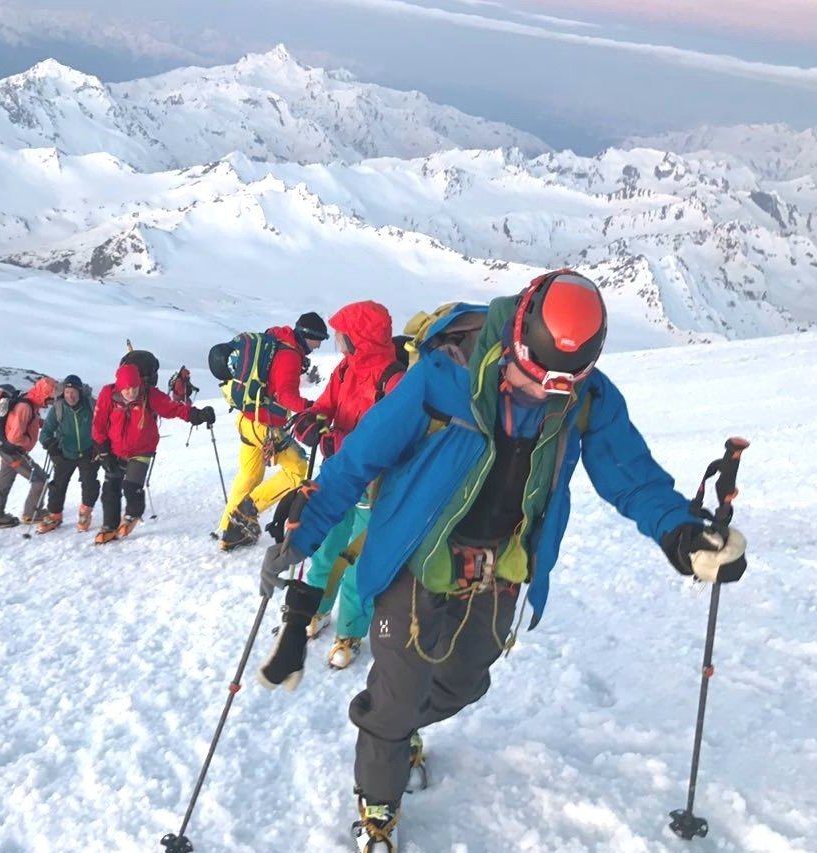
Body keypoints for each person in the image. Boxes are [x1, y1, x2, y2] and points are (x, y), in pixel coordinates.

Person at [257, 271, 749, 852]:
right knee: (394, 698)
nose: (544, 394)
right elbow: (355, 463)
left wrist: (681, 534)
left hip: (504, 567)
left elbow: (631, 477)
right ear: (515, 337)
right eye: (533, 378)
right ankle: (377, 805)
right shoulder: (440, 380)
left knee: (464, 684)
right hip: (414, 557)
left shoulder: (587, 397)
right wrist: (303, 533)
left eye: (560, 385)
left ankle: (402, 723)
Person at [266, 301, 403, 672]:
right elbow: (326, 406)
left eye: (343, 335)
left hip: (373, 485)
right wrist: (311, 420)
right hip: (337, 476)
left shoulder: (393, 379)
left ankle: (351, 631)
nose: (338, 342)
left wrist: (335, 441)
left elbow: (387, 440)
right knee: (326, 548)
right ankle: (317, 608)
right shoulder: (345, 369)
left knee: (356, 560)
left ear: (359, 338)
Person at [217, 311, 328, 552]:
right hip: (265, 426)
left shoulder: (278, 341)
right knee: (298, 469)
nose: (318, 345)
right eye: (317, 339)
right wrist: (311, 407)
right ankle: (249, 510)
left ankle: (228, 529)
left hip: (248, 420)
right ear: (307, 335)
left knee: (249, 476)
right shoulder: (289, 355)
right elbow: (284, 396)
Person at [92, 362, 214, 544]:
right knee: (110, 488)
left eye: (134, 388)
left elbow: (172, 408)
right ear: (119, 386)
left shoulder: (148, 394)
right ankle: (109, 526)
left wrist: (196, 415)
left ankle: (133, 513)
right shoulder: (108, 394)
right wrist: (103, 451)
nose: (131, 393)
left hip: (142, 449)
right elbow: (99, 424)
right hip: (115, 450)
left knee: (131, 486)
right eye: (127, 389)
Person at [0, 376, 58, 529]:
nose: (51, 403)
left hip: (7, 450)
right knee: (40, 479)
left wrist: (44, 425)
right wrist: (28, 441)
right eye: (50, 399)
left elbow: (31, 421)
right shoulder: (25, 407)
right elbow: (15, 437)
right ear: (44, 395)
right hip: (14, 451)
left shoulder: (30, 404)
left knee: (4, 482)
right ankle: (31, 513)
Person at [36, 375, 99, 533]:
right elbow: (45, 434)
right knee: (58, 486)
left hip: (88, 452)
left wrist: (100, 446)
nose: (71, 396)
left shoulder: (91, 405)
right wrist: (52, 448)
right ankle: (55, 516)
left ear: (80, 392)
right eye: (67, 392)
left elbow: (103, 425)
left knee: (89, 484)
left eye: (73, 392)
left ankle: (85, 513)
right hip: (65, 453)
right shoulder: (58, 408)